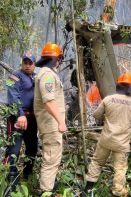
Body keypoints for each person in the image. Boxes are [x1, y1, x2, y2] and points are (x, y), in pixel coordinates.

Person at [83, 72, 131, 197]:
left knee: (96, 162)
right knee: (120, 169)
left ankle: (88, 190)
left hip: (105, 139)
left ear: (118, 85)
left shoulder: (108, 99)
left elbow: (96, 115)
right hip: (121, 144)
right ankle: (117, 192)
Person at [34, 43, 67, 193]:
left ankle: (47, 188)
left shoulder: (46, 73)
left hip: (50, 124)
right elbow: (49, 101)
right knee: (51, 158)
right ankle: (46, 191)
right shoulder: (47, 74)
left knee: (52, 157)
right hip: (51, 124)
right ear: (54, 58)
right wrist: (61, 122)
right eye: (59, 58)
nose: (59, 62)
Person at [5, 52, 38, 186]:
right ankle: (10, 177)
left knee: (32, 147)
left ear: (34, 65)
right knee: (14, 148)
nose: (28, 66)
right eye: (25, 62)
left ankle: (27, 174)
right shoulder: (14, 76)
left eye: (30, 63)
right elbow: (12, 96)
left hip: (32, 118)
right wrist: (20, 114)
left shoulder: (36, 77)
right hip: (17, 118)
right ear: (22, 63)